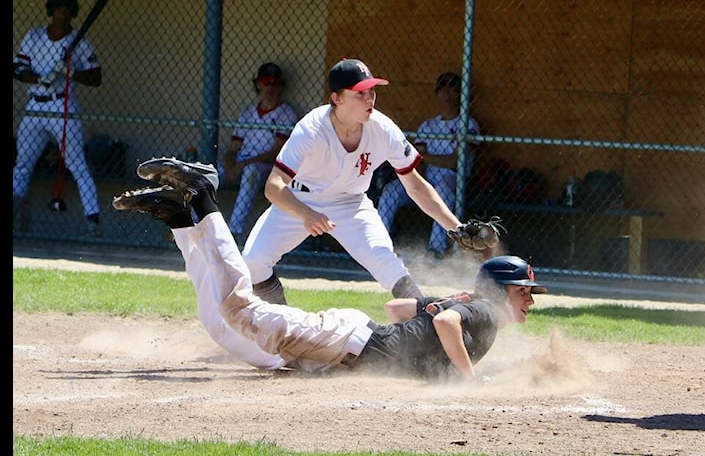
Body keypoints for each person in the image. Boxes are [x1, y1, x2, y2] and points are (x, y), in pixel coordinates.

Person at [111, 156, 544, 380]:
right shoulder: (485, 312)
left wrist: (423, 338)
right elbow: (448, 322)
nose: (528, 299)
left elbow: (400, 311)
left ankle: (181, 221)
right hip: (348, 343)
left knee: (225, 327)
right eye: (523, 290)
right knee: (238, 310)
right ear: (499, 289)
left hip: (343, 350)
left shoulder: (475, 310)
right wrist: (465, 376)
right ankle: (203, 195)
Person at [241, 58, 465, 307]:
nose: (370, 99)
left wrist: (456, 228)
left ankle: (425, 321)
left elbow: (416, 186)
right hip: (300, 199)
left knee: (385, 262)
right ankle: (282, 324)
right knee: (253, 261)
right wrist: (306, 214)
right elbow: (274, 186)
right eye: (360, 93)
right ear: (337, 99)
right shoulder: (312, 129)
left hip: (351, 203)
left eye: (372, 91)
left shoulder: (382, 129)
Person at [13, 0, 104, 237]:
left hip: (62, 103)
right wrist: (36, 78)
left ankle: (93, 220)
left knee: (76, 163)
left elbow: (96, 78)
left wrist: (71, 72)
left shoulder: (80, 43)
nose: (61, 12)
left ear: (72, 11)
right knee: (22, 164)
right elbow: (17, 67)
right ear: (51, 9)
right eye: (57, 7)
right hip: (35, 104)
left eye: (66, 8)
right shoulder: (34, 36)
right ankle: (14, 214)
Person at [378, 72, 481, 259]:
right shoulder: (428, 126)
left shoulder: (468, 124)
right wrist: (422, 168)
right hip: (424, 177)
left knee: (442, 191)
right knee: (390, 190)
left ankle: (436, 249)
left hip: (453, 178)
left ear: (461, 94)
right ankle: (377, 246)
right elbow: (415, 161)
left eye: (453, 89)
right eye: (443, 89)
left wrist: (425, 157)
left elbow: (454, 161)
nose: (447, 94)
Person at [219, 62, 299, 239]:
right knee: (210, 174)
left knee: (250, 172)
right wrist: (229, 163)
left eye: (274, 82)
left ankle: (234, 230)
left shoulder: (286, 113)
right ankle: (193, 223)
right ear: (258, 84)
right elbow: (233, 147)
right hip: (241, 161)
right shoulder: (248, 112)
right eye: (266, 82)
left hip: (266, 166)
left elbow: (276, 152)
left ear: (280, 86)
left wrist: (242, 165)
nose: (270, 87)